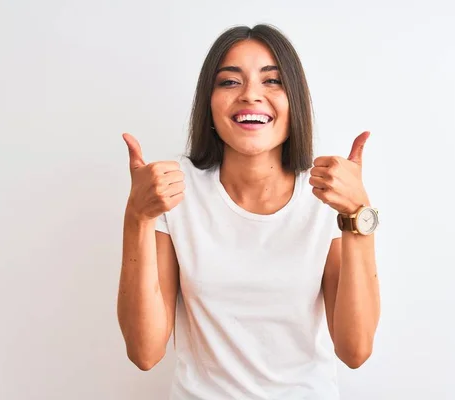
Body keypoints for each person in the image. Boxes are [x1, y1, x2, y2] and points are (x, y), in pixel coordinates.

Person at [117, 24, 381, 399]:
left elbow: (355, 351)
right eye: (229, 82)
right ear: (208, 102)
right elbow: (145, 352)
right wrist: (136, 218)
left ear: (295, 101)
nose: (250, 96)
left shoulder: (326, 194)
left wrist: (358, 216)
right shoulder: (175, 190)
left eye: (272, 81)